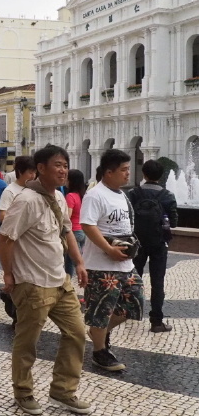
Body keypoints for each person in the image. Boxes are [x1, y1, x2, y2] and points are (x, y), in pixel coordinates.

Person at [0, 145, 91, 416]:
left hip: (59, 281)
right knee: (28, 342)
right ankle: (23, 392)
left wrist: (80, 262)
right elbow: (5, 237)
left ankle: (63, 391)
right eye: (57, 165)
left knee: (76, 334)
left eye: (65, 165)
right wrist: (8, 273)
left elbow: (66, 232)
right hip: (33, 283)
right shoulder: (27, 200)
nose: (63, 170)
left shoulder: (59, 198)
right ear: (40, 168)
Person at [81, 149, 144, 372]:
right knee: (100, 310)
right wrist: (108, 248)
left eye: (128, 169)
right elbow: (87, 225)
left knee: (133, 303)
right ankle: (100, 352)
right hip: (101, 265)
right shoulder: (95, 194)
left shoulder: (121, 194)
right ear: (109, 172)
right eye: (124, 170)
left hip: (125, 263)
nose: (128, 174)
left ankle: (100, 332)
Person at [127, 159, 178, 333]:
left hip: (137, 243)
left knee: (134, 278)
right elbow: (174, 222)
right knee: (157, 282)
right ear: (161, 175)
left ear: (144, 174)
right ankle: (156, 321)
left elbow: (128, 218)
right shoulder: (168, 195)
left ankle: (130, 312)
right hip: (159, 244)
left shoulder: (134, 193)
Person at [0, 156, 37, 327]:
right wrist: (21, 219)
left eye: (35, 172)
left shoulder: (35, 190)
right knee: (16, 279)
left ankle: (23, 313)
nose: (33, 176)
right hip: (14, 242)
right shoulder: (10, 191)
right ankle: (16, 313)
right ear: (20, 172)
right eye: (30, 172)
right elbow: (2, 215)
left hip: (31, 244)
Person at [64, 169, 87, 278]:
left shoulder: (71, 196)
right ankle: (67, 280)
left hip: (73, 232)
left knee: (77, 262)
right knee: (69, 260)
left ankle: (87, 280)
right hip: (82, 230)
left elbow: (67, 215)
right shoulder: (82, 195)